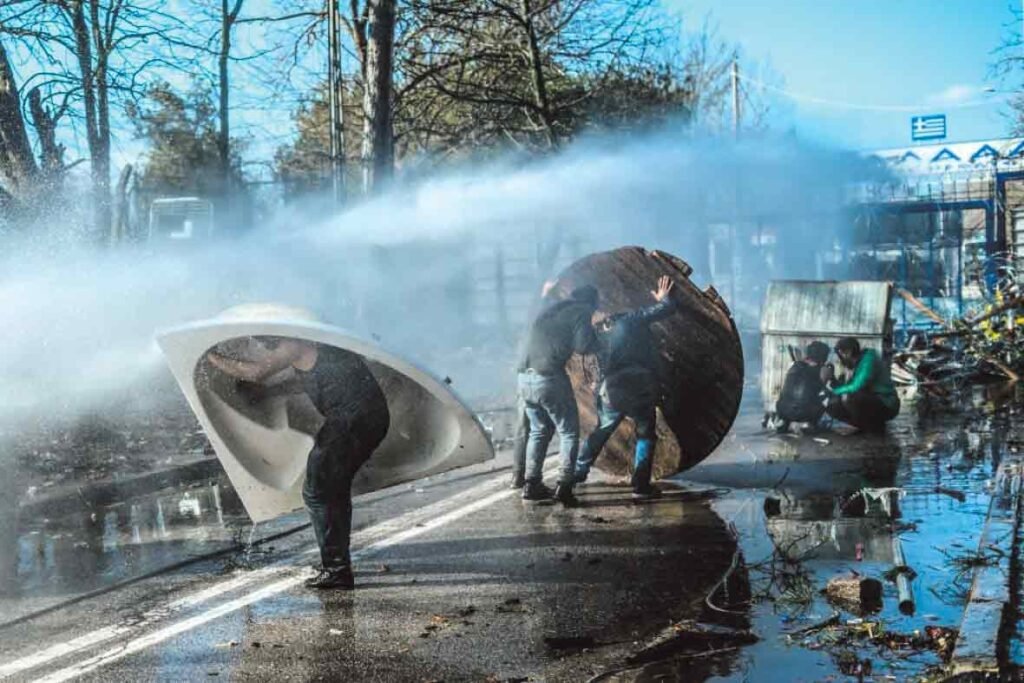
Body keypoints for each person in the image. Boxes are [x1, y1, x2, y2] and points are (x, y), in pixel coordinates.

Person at [206, 337, 390, 590]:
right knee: (332, 489)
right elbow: (309, 379)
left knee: (318, 492)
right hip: (363, 417)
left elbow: (256, 372)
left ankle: (336, 570)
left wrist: (210, 356)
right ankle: (337, 565)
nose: (260, 342)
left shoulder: (294, 343)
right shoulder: (315, 341)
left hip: (352, 420)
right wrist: (270, 392)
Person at [573, 276, 677, 499]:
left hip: (612, 390)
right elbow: (666, 308)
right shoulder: (631, 320)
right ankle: (640, 486)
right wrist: (664, 298)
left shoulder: (595, 334)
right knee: (645, 433)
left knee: (602, 430)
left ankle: (577, 473)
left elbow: (591, 364)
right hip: (640, 386)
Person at [517, 285, 600, 506]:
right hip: (549, 378)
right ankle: (564, 486)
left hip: (524, 378)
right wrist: (601, 336)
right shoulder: (582, 310)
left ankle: (531, 484)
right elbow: (583, 346)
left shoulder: (550, 308)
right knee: (569, 432)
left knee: (538, 430)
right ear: (591, 302)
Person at [826, 337, 900, 432]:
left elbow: (856, 386)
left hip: (886, 403)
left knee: (851, 397)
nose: (841, 360)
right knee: (832, 404)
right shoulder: (857, 363)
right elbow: (845, 386)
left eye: (841, 355)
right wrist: (832, 379)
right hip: (872, 399)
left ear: (848, 352)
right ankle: (859, 425)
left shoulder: (869, 359)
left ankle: (870, 426)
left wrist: (833, 392)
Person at [774, 341, 834, 434]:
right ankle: (811, 424)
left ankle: (784, 421)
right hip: (804, 413)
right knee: (829, 395)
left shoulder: (794, 366)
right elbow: (822, 388)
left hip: (782, 410)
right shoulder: (823, 370)